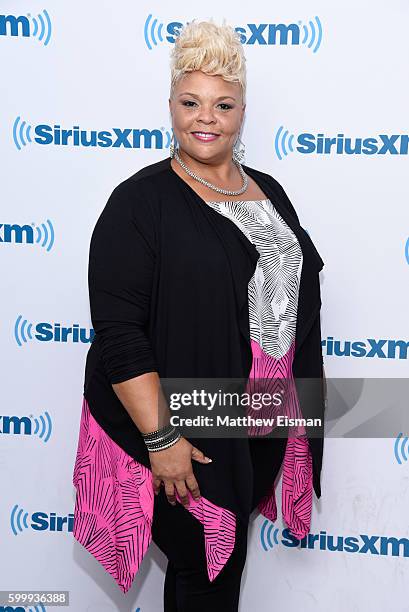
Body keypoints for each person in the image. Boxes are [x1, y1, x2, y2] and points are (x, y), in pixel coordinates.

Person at [72, 19, 326, 611]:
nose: (204, 118)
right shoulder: (139, 203)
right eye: (190, 102)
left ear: (243, 111)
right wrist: (161, 438)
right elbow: (118, 334)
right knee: (201, 572)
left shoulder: (268, 190)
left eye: (222, 104)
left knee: (224, 571)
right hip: (183, 430)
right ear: (170, 105)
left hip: (255, 422)